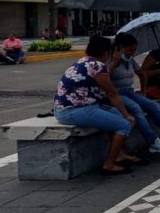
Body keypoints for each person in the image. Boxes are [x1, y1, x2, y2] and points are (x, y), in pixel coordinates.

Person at [53, 35, 141, 175]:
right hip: (74, 111)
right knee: (124, 125)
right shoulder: (98, 66)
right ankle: (109, 164)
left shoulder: (82, 61)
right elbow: (112, 94)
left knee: (116, 114)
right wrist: (127, 115)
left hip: (70, 108)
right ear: (106, 53)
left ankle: (120, 154)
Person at [109, 33, 160, 154]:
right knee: (136, 108)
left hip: (129, 91)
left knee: (153, 106)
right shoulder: (110, 60)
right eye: (130, 49)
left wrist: (143, 91)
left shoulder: (129, 60)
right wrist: (114, 63)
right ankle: (153, 141)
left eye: (134, 50)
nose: (132, 52)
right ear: (120, 48)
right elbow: (103, 76)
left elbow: (141, 74)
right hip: (116, 93)